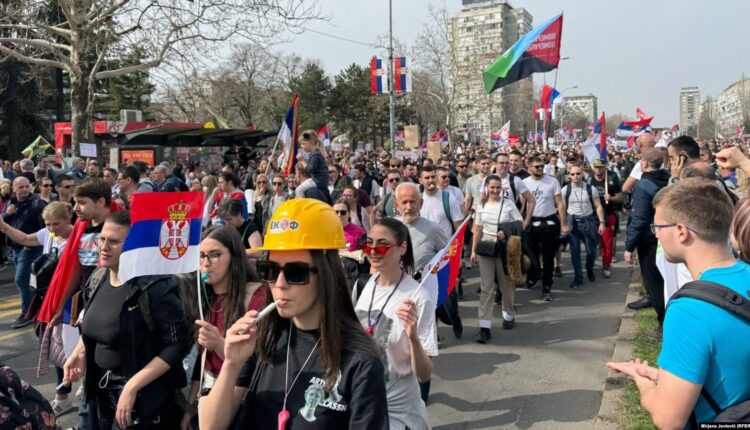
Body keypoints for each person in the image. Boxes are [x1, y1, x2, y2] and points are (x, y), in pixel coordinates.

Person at [200, 198, 388, 429]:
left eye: (295, 272)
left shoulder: (360, 361)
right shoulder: (263, 337)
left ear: (327, 275)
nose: (279, 284)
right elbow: (211, 426)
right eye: (269, 270)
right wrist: (230, 364)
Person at [608, 179, 750, 428]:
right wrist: (666, 378)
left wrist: (644, 383)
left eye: (658, 226)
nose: (656, 234)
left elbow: (668, 419)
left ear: (681, 231)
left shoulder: (689, 310)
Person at [63, 211, 190, 428]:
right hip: (100, 395)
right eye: (102, 239)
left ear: (134, 246)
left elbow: (177, 344)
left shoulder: (155, 287)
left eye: (114, 241)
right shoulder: (97, 278)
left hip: (142, 403)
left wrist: (133, 386)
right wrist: (78, 352)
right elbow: (94, 325)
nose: (103, 247)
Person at [355, 217, 437, 429]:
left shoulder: (418, 298)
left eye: (382, 245)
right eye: (369, 243)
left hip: (399, 413)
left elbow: (425, 374)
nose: (373, 251)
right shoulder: (365, 284)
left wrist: (413, 338)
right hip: (363, 400)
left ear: (402, 248)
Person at [182, 226, 267, 428]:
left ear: (235, 256)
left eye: (215, 255)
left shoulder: (256, 298)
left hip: (238, 391)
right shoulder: (205, 296)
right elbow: (203, 360)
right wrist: (191, 405)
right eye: (201, 256)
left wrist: (219, 342)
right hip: (208, 389)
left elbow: (253, 363)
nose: (205, 263)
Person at [0, 202, 74, 413]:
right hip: (48, 299)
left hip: (71, 300)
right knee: (55, 345)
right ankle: (63, 394)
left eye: (56, 224)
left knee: (71, 346)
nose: (52, 228)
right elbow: (24, 238)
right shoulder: (48, 235)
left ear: (69, 218)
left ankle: (67, 392)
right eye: (48, 224)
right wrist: (3, 225)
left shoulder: (81, 237)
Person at [470, 175, 524, 342]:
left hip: (503, 248)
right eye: (492, 187)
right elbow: (478, 228)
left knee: (506, 284)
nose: (494, 190)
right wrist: (473, 250)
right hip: (486, 247)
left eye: (497, 187)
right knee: (487, 287)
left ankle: (508, 314)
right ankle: (484, 326)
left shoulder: (508, 204)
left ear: (502, 188)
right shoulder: (481, 204)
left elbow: (519, 223)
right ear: (486, 187)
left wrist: (506, 231)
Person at [624, 149, 670, 330]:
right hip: (667, 236)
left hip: (650, 240)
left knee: (655, 283)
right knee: (666, 281)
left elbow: (639, 219)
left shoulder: (643, 186)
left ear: (644, 164)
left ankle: (663, 324)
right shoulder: (668, 178)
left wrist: (629, 246)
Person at [523, 156, 569, 301]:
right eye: (536, 166)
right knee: (532, 256)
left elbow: (560, 204)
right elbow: (521, 205)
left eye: (542, 166)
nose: (540, 169)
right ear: (529, 167)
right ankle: (534, 275)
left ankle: (547, 286)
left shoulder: (552, 181)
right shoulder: (524, 183)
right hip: (532, 223)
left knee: (548, 256)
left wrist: (563, 224)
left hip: (549, 222)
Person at [4, 176, 46, 328]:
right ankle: (34, 308)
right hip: (15, 248)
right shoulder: (12, 203)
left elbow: (46, 228)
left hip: (30, 249)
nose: (24, 190)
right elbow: (3, 224)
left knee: (21, 280)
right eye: (20, 187)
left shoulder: (38, 204)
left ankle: (28, 312)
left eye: (27, 186)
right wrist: (7, 214)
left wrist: (33, 242)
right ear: (13, 189)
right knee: (27, 281)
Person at [561, 164, 606, 288]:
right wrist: (563, 224)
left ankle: (589, 268)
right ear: (569, 176)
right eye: (573, 174)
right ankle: (578, 277)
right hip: (573, 223)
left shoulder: (591, 189)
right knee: (575, 252)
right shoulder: (565, 190)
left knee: (591, 251)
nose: (576, 176)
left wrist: (602, 223)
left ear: (583, 174)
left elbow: (598, 206)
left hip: (588, 221)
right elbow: (563, 208)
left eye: (578, 173)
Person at [588, 159, 625, 278]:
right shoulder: (589, 180)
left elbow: (621, 196)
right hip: (591, 217)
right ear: (593, 168)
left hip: (608, 216)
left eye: (601, 167)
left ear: (605, 168)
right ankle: (590, 266)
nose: (598, 169)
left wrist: (612, 198)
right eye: (596, 167)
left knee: (607, 243)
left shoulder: (612, 179)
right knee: (591, 243)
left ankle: (606, 265)